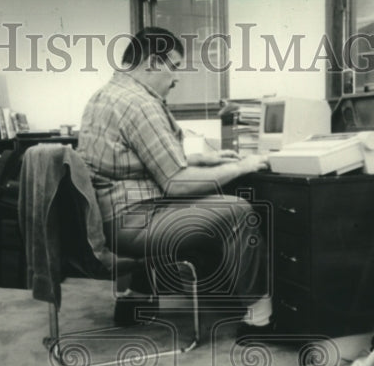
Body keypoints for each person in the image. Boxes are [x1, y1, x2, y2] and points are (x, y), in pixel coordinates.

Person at [77, 26, 273, 334]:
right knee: (239, 211)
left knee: (189, 203)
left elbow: (134, 163)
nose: (177, 78)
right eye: (174, 67)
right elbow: (175, 183)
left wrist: (200, 160)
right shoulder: (140, 103)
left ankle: (136, 298)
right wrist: (243, 166)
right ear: (153, 62)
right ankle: (260, 319)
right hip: (131, 222)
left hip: (107, 217)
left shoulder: (106, 95)